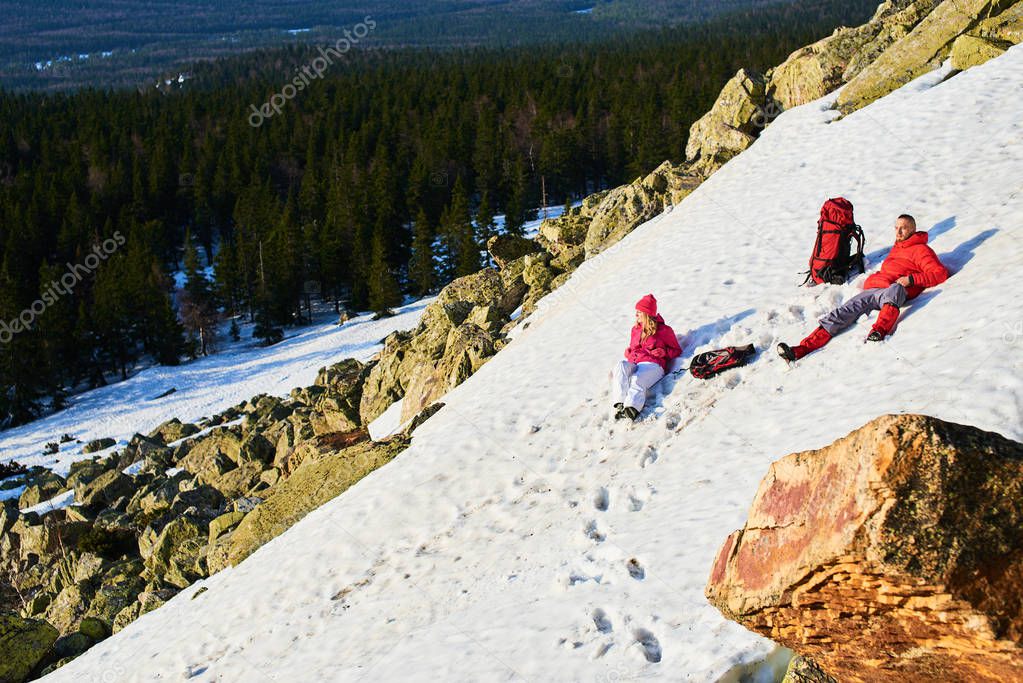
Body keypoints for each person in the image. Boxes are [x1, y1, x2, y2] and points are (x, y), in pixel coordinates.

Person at [778, 214, 948, 362]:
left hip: (892, 292)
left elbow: (939, 273)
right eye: (896, 228)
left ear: (913, 229)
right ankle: (800, 350)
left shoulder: (921, 250)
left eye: (903, 228)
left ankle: (879, 331)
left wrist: (910, 279)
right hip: (872, 291)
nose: (898, 232)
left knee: (895, 289)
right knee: (840, 313)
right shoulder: (897, 248)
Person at [611, 294, 683, 420]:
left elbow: (676, 350)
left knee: (637, 379)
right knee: (620, 365)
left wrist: (664, 352)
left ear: (646, 314)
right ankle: (620, 403)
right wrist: (629, 352)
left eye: (639, 312)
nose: (636, 315)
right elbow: (634, 348)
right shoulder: (635, 329)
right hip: (636, 363)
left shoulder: (664, 330)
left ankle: (632, 408)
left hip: (653, 366)